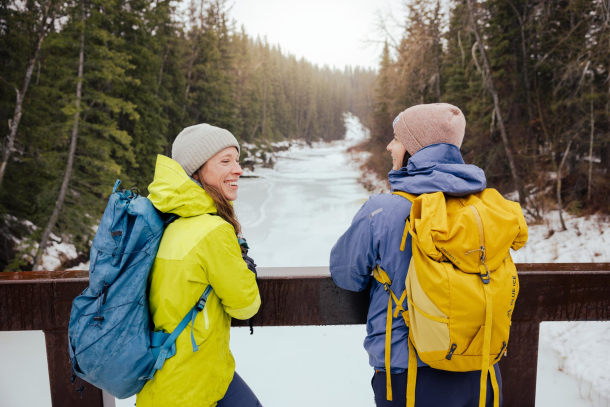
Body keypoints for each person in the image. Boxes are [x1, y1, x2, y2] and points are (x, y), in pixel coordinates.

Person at [330, 103, 502, 406]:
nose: (389, 146)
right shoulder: (482, 209)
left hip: (410, 377)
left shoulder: (383, 211)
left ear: (415, 148)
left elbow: (346, 274)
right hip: (481, 370)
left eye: (397, 138)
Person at [136, 124, 262, 407]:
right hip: (190, 386)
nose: (238, 169)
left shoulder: (169, 218)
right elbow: (245, 306)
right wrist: (246, 272)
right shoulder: (213, 230)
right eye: (225, 161)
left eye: (237, 160)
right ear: (196, 172)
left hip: (171, 375)